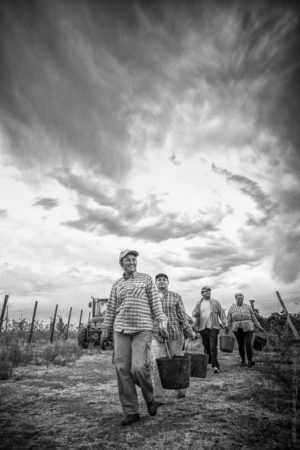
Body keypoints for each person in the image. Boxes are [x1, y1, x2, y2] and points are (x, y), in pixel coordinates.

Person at [101, 250, 169, 426]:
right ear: (122, 263)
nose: (131, 262)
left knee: (138, 368)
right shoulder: (116, 284)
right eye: (128, 260)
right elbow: (111, 308)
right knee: (122, 370)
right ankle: (131, 412)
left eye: (134, 259)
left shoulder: (146, 279)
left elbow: (156, 303)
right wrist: (105, 330)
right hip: (120, 329)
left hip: (142, 328)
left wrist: (161, 323)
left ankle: (149, 397)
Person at [151, 273, 197, 405]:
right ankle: (159, 397)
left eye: (164, 280)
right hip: (157, 335)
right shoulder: (151, 297)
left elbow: (182, 316)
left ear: (168, 282)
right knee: (157, 365)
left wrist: (190, 331)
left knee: (177, 363)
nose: (161, 282)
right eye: (159, 280)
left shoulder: (176, 296)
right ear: (155, 283)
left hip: (175, 334)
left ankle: (180, 389)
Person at [192, 286, 228, 373]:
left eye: (209, 291)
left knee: (213, 347)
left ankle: (215, 366)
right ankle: (208, 363)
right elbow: (193, 313)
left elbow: (221, 314)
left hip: (213, 327)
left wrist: (225, 323)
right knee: (206, 347)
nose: (208, 292)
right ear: (202, 293)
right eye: (206, 291)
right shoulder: (198, 303)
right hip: (202, 328)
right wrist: (195, 314)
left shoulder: (215, 302)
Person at [227, 293, 265, 368]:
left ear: (243, 299)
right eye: (239, 298)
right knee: (240, 345)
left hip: (248, 328)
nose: (240, 300)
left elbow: (253, 317)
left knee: (248, 343)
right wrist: (228, 328)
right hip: (237, 329)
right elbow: (229, 319)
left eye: (242, 298)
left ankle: (250, 360)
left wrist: (259, 326)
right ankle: (243, 361)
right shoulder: (232, 308)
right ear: (236, 299)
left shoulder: (248, 307)